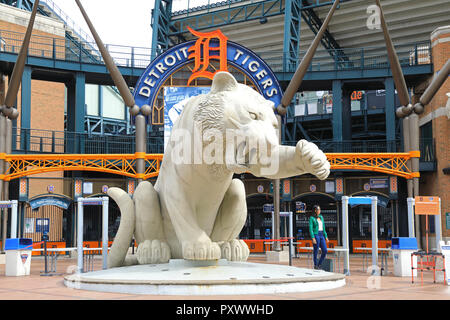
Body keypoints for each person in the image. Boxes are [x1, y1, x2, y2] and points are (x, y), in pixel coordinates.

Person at [309, 205, 329, 269]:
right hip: (316, 234)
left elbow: (323, 227)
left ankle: (319, 263)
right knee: (316, 250)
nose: (320, 211)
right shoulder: (312, 218)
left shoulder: (321, 217)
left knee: (325, 250)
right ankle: (315, 264)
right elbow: (310, 228)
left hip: (321, 234)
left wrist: (326, 236)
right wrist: (313, 237)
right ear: (315, 210)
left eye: (320, 209)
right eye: (319, 209)